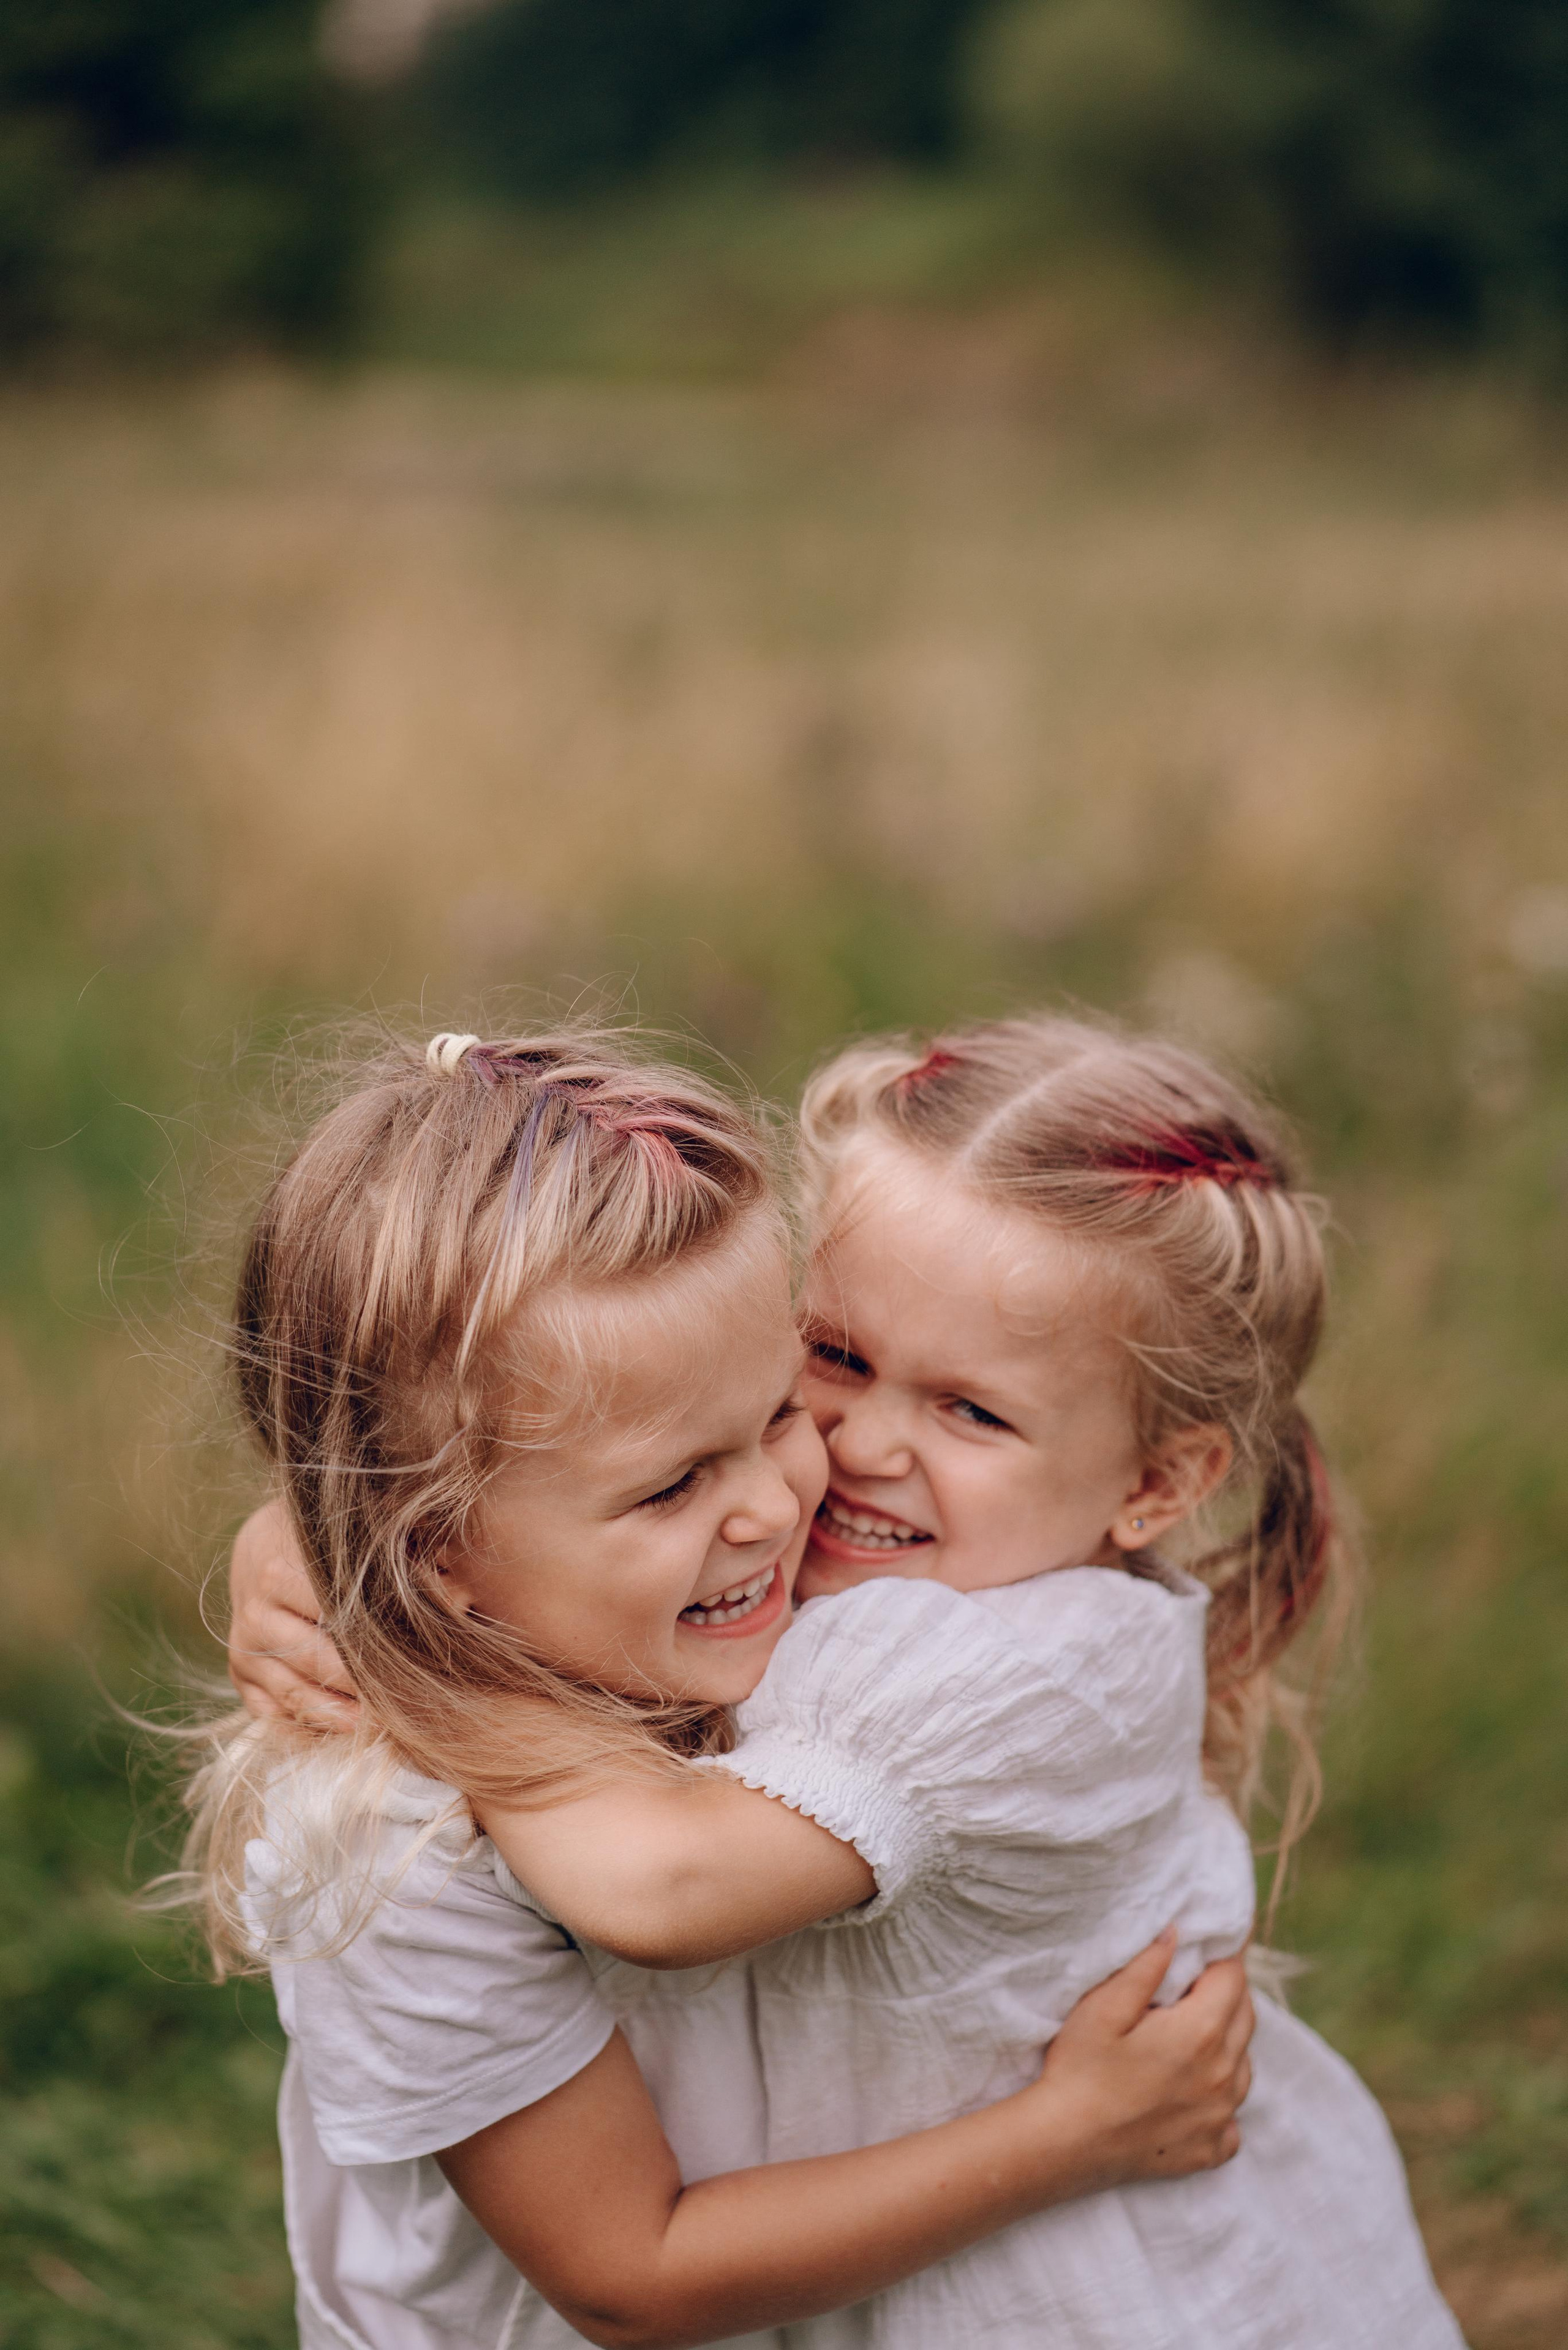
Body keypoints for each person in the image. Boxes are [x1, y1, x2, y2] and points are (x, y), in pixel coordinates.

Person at [198, 1025, 1254, 2350]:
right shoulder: (387, 1845)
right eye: (671, 1484)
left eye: (775, 1410)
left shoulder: (786, 1616)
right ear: (435, 1542)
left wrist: (361, 1583)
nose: (787, 1499)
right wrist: (344, 1578)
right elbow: (625, 2277)